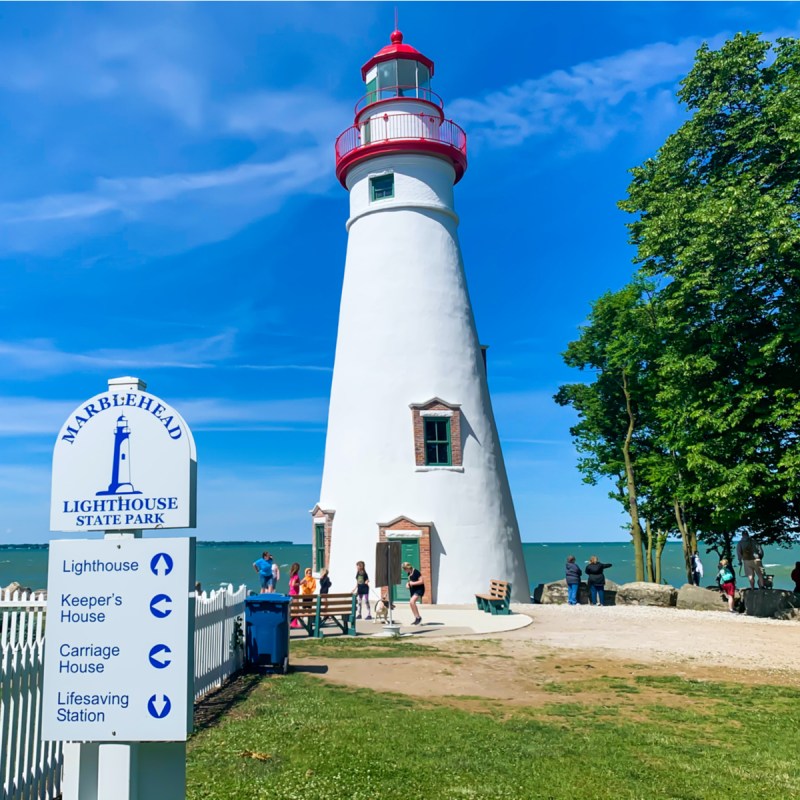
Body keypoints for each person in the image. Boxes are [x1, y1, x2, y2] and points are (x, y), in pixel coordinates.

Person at [288, 562, 301, 628]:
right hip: (295, 594)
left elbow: (289, 584)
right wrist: (300, 583)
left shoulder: (292, 575)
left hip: (290, 593)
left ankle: (292, 622)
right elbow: (293, 584)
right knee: (296, 609)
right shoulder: (296, 576)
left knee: (293, 609)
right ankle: (294, 623)